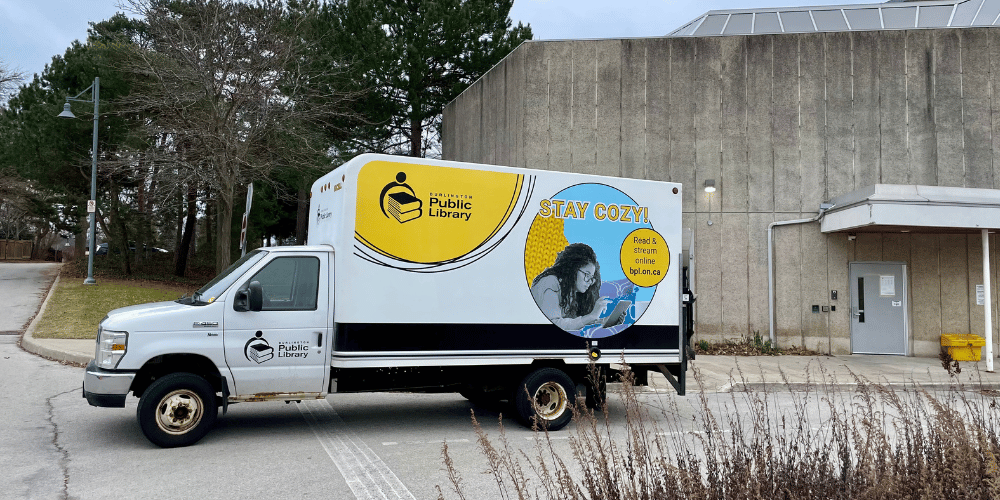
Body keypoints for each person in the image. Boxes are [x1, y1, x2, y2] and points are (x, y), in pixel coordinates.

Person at [530, 242, 610, 331]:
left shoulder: (569, 290)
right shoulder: (550, 282)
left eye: (591, 278)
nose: (589, 282)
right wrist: (591, 316)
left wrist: (601, 321)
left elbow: (571, 322)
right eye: (587, 275)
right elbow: (554, 324)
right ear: (573, 268)